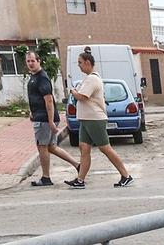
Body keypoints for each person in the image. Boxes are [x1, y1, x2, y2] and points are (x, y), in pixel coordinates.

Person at [68, 48, 134, 189]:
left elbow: (82, 96)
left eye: (80, 63)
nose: (78, 65)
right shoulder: (88, 78)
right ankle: (80, 180)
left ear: (87, 62)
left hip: (94, 119)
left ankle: (126, 175)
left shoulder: (92, 79)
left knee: (105, 148)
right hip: (86, 119)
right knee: (84, 148)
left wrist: (73, 91)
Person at [24, 49, 81, 187]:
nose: (30, 63)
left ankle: (46, 177)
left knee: (42, 146)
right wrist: (33, 112)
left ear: (39, 61)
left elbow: (48, 100)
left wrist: (50, 121)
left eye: (33, 61)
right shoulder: (34, 77)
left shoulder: (42, 77)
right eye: (28, 61)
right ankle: (77, 164)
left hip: (44, 119)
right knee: (51, 147)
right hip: (41, 116)